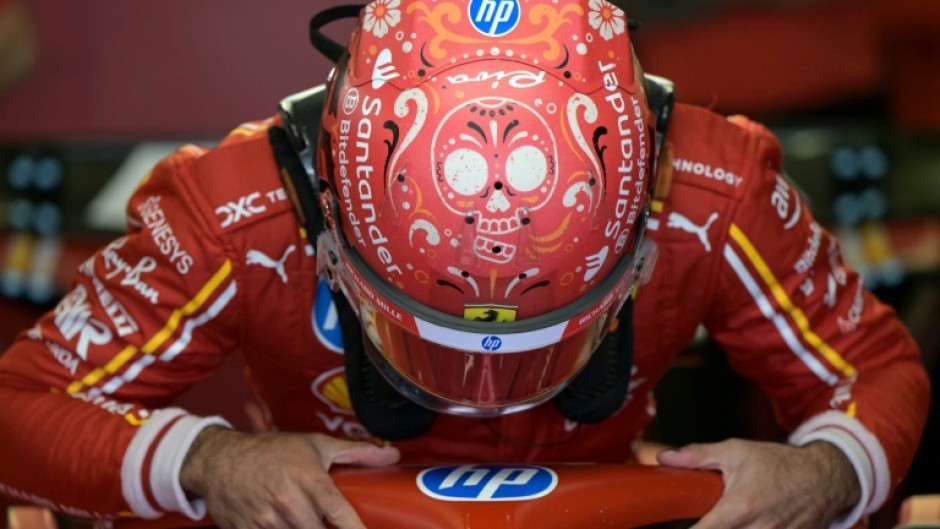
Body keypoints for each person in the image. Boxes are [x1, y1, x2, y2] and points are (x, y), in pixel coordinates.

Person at [0, 0, 929, 528]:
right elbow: (20, 406)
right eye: (433, 342)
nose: (490, 386)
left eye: (537, 345)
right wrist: (207, 459)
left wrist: (828, 474)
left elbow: (876, 368)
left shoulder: (708, 181)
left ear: (641, 244)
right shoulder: (238, 206)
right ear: (329, 232)